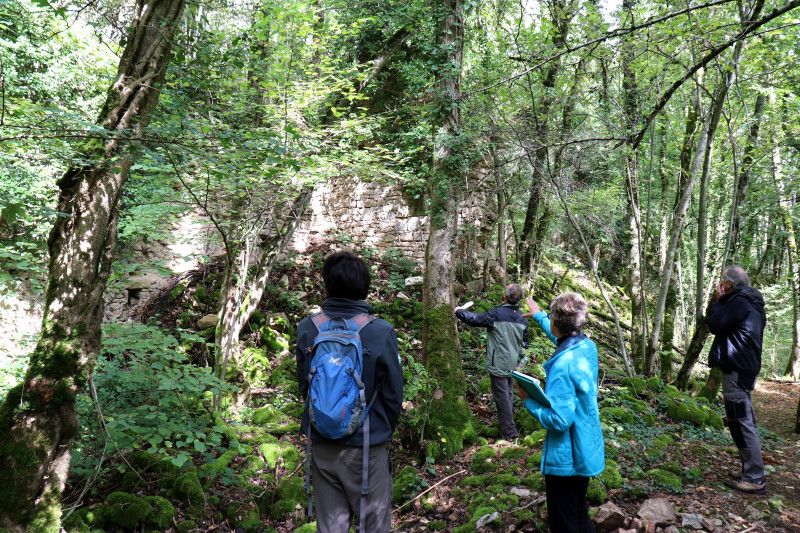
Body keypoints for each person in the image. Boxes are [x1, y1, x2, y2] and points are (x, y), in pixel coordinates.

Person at [295, 251, 404, 532]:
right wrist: (381, 430)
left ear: (327, 286)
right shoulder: (381, 331)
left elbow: (305, 386)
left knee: (331, 526)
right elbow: (393, 394)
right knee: (373, 526)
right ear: (364, 288)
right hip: (366, 448)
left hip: (322, 446)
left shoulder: (308, 328)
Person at [517, 292, 604, 533]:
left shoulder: (562, 365)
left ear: (556, 321)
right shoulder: (587, 346)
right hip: (585, 445)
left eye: (550, 318)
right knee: (578, 513)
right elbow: (562, 337)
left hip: (567, 457)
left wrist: (528, 400)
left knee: (564, 523)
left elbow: (559, 420)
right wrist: (539, 316)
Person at [708, 265, 767, 495]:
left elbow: (715, 324)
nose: (720, 283)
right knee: (741, 419)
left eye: (722, 279)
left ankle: (754, 477)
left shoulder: (738, 302)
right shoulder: (752, 302)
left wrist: (719, 300)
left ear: (729, 284)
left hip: (737, 369)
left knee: (741, 420)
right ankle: (749, 470)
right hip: (744, 368)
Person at [454, 284, 529, 441]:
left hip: (499, 362)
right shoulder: (523, 317)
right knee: (507, 394)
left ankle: (510, 432)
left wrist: (458, 311)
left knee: (502, 397)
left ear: (505, 296)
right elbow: (525, 342)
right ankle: (508, 426)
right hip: (513, 363)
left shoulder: (497, 314)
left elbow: (475, 319)